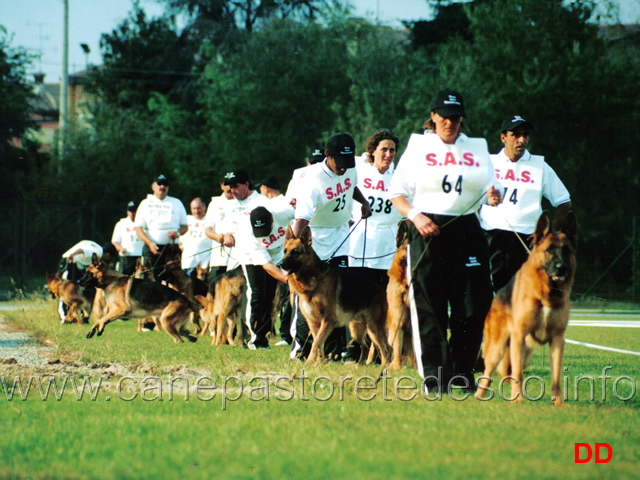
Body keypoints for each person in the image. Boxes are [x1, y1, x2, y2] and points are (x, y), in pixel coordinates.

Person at [389, 88, 502, 393]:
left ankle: (462, 374)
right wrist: (415, 215)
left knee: (474, 303)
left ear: (461, 119)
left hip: (466, 229)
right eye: (444, 117)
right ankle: (435, 379)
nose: (450, 123)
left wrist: (494, 196)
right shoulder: (418, 148)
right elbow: (396, 193)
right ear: (433, 117)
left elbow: (493, 190)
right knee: (430, 305)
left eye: (456, 118)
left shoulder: (476, 149)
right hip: (427, 227)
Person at [290, 133, 373, 360]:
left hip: (340, 237)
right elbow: (302, 219)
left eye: (348, 163)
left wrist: (363, 202)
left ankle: (334, 352)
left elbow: (351, 186)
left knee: (337, 298)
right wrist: (294, 248)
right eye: (340, 163)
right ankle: (302, 349)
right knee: (308, 297)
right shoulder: (313, 180)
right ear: (328, 155)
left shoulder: (349, 169)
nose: (344, 168)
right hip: (316, 242)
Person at [479, 115, 572, 292]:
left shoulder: (539, 166)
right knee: (489, 293)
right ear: (503, 138)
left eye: (525, 135)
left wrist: (546, 235)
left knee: (523, 293)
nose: (522, 140)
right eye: (516, 135)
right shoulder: (489, 163)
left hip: (525, 240)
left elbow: (564, 202)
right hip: (492, 237)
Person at [218, 169, 271, 349]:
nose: (232, 191)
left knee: (267, 297)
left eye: (235, 186)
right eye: (229, 187)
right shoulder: (232, 205)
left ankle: (262, 336)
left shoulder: (261, 202)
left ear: (246, 184)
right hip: (246, 258)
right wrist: (228, 236)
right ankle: (254, 338)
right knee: (254, 295)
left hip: (266, 254)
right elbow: (228, 229)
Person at [348, 128, 402, 289]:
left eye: (392, 150)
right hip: (359, 241)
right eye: (383, 149)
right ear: (373, 151)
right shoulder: (359, 170)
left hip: (387, 245)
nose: (388, 154)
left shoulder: (398, 177)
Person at [134, 174, 188, 282]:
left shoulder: (177, 203)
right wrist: (150, 243)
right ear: (153, 186)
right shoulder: (145, 204)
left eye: (165, 184)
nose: (162, 187)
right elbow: (138, 228)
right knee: (150, 281)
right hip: (152, 249)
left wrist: (177, 233)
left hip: (171, 249)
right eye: (159, 184)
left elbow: (185, 226)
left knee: (174, 280)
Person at [57, 240, 116, 322]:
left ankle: (78, 316)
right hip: (70, 262)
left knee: (80, 290)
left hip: (77, 265)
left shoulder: (97, 247)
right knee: (67, 290)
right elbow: (82, 250)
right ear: (107, 254)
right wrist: (72, 255)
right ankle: (64, 317)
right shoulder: (96, 252)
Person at [205, 180, 237, 282]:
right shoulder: (215, 203)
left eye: (232, 185)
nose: (229, 188)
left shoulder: (241, 201)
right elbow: (207, 229)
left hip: (237, 257)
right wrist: (218, 237)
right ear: (221, 185)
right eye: (226, 185)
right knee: (215, 291)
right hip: (219, 257)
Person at [179, 197, 211, 278]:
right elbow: (180, 242)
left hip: (204, 266)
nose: (196, 211)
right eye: (194, 209)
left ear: (204, 207)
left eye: (199, 208)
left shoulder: (210, 220)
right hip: (188, 264)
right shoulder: (186, 220)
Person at [111, 201, 144, 276]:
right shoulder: (121, 224)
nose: (132, 213)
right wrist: (120, 248)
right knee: (124, 279)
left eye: (134, 211)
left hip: (141, 256)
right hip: (126, 257)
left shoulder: (144, 223)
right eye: (130, 211)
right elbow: (115, 241)